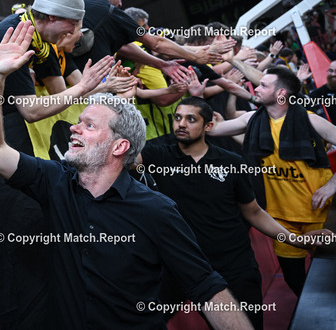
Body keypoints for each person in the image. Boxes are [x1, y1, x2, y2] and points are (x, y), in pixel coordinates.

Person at [0, 21, 254, 329]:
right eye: (79, 121)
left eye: (89, 125)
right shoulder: (54, 182)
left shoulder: (156, 210)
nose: (74, 128)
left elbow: (205, 286)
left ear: (119, 146)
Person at [137, 96, 329, 329]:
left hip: (236, 267)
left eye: (191, 119)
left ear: (208, 126)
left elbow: (254, 212)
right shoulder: (157, 156)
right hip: (190, 269)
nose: (181, 124)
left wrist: (295, 240)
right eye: (177, 118)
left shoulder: (232, 162)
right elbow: (124, 156)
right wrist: (117, 99)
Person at [209, 66, 336, 296]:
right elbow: (213, 131)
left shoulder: (310, 120)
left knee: (329, 277)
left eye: (263, 85)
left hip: (320, 212)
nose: (256, 88)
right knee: (294, 278)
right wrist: (197, 97)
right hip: (281, 217)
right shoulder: (252, 119)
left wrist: (331, 185)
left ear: (281, 94)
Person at [0, 0, 114, 154]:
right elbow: (31, 111)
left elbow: (59, 93)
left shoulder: (43, 44)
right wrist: (83, 87)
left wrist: (94, 86)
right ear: (52, 16)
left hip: (0, 115)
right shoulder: (14, 37)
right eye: (73, 23)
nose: (73, 32)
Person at [75, 0, 220, 82]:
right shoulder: (110, 11)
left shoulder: (78, 3)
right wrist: (195, 57)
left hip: (71, 83)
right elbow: (155, 43)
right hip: (95, 85)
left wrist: (162, 65)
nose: (120, 4)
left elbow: (124, 47)